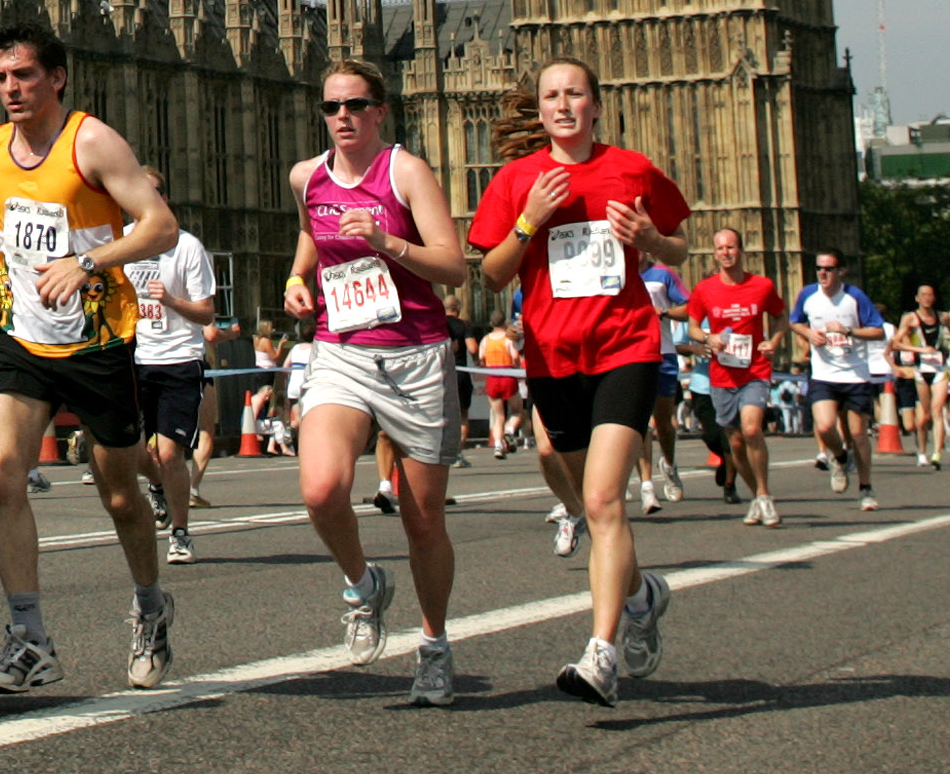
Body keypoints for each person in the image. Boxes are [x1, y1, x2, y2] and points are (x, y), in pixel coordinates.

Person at [0, 21, 177, 697]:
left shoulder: (92, 142)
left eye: (24, 75)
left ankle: (150, 606)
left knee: (120, 495)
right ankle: (30, 638)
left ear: (56, 78)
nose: (11, 88)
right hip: (21, 337)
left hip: (98, 338)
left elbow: (159, 225)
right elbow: (9, 214)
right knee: (2, 476)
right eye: (1, 77)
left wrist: (88, 262)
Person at [467, 58, 688, 708]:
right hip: (554, 359)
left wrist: (649, 237)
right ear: (539, 110)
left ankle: (601, 654)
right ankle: (641, 595)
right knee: (592, 506)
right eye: (552, 96)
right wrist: (529, 220)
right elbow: (492, 274)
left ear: (595, 103)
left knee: (602, 499)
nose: (563, 105)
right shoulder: (518, 181)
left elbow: (678, 246)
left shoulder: (632, 170)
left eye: (575, 93)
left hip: (626, 346)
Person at [278, 63, 468, 705]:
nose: (343, 116)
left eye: (356, 105)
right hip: (341, 350)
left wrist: (387, 240)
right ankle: (362, 585)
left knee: (423, 521)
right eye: (331, 107)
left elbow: (454, 268)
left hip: (415, 354)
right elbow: (310, 234)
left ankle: (434, 645)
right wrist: (296, 278)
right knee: (321, 488)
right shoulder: (307, 177)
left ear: (380, 111)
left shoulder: (405, 172)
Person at [124, 192, 218, 565]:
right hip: (134, 357)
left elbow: (207, 313)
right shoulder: (122, 242)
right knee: (132, 448)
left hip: (180, 358)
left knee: (169, 452)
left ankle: (180, 533)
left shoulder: (187, 247)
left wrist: (171, 301)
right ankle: (157, 484)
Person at [686, 228, 784, 528]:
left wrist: (774, 341)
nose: (725, 253)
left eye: (730, 247)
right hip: (722, 374)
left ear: (741, 250)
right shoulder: (705, 289)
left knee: (752, 429)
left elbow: (781, 317)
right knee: (736, 443)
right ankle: (756, 497)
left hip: (755, 371)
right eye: (720, 248)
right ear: (715, 254)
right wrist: (708, 337)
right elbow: (692, 327)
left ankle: (765, 494)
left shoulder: (762, 286)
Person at [788, 251, 886, 512]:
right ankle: (840, 458)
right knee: (824, 426)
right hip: (824, 374)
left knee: (858, 433)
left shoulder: (855, 297)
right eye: (819, 268)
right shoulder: (808, 295)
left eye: (828, 269)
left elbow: (878, 330)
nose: (822, 273)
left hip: (855, 374)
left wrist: (848, 331)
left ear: (841, 271)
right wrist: (809, 333)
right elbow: (794, 322)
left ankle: (866, 487)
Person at [633, 258, 690, 515]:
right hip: (630, 356)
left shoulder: (663, 274)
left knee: (664, 423)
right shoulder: (615, 270)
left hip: (663, 353)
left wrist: (664, 312)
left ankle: (669, 464)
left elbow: (691, 307)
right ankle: (646, 485)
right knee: (638, 422)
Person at [892, 285, 947, 466]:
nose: (927, 298)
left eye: (930, 295)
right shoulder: (911, 318)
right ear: (917, 298)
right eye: (923, 295)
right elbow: (896, 343)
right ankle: (922, 451)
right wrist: (920, 350)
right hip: (921, 369)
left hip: (939, 369)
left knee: (937, 409)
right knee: (924, 417)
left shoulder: (942, 317)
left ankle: (937, 452)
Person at [478, 319, 524, 458]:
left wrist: (486, 364)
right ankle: (509, 430)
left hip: (492, 377)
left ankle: (498, 445)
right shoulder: (508, 339)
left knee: (498, 416)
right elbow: (515, 356)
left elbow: (481, 357)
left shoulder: (485, 340)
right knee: (517, 411)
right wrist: (516, 367)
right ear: (504, 323)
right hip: (507, 376)